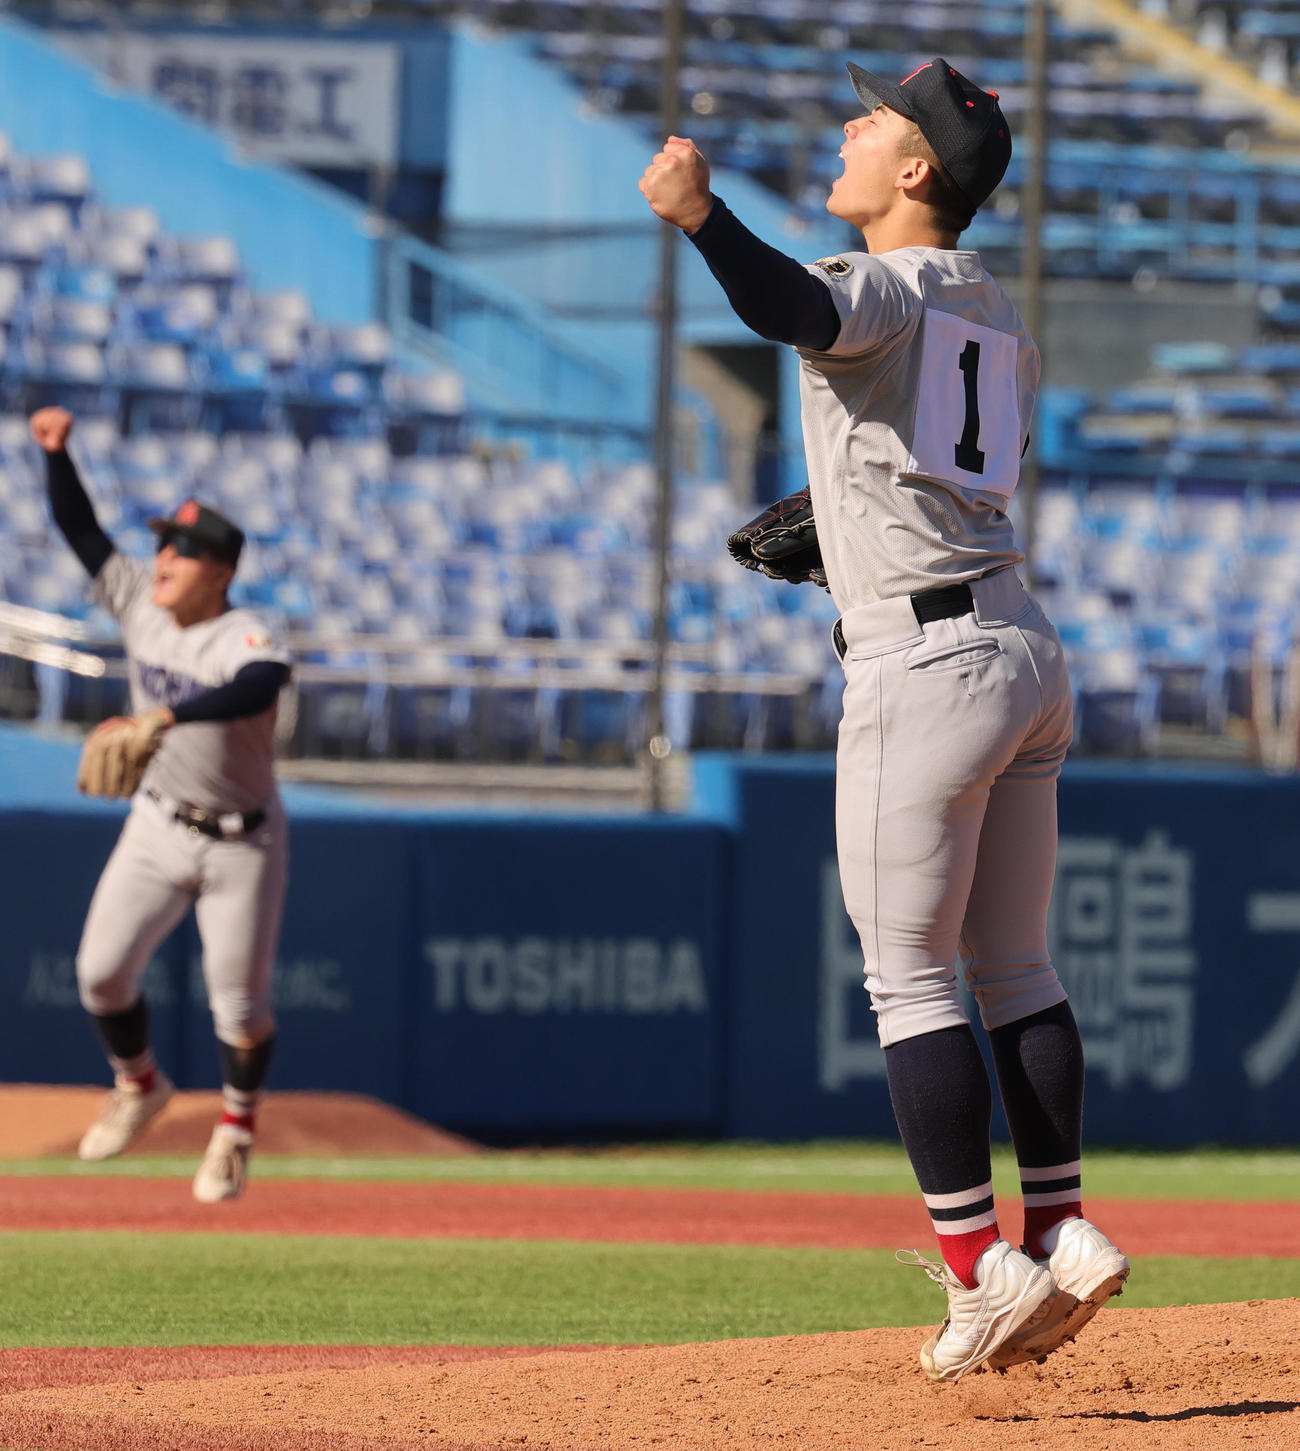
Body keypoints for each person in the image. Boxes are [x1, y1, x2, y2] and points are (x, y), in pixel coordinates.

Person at [639, 59, 1128, 1380]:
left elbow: (793, 302)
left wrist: (699, 215)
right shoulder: (990, 306)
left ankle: (980, 1270)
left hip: (924, 663)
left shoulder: (886, 286)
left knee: (907, 975)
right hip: (1022, 636)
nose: (850, 129)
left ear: (917, 172)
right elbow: (939, 464)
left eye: (874, 119)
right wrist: (849, 531)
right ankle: (1064, 1227)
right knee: (1015, 964)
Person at [30, 405, 292, 1204]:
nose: (164, 557)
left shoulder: (244, 634)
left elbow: (262, 684)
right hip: (157, 819)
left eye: (182, 549)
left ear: (217, 571)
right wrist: (58, 454)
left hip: (241, 843)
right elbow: (82, 532)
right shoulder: (141, 602)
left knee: (240, 1011)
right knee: (100, 976)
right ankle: (139, 1083)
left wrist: (168, 715)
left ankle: (235, 1130)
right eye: (163, 544)